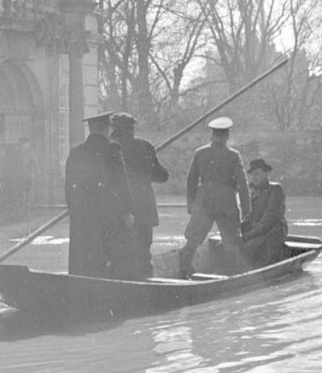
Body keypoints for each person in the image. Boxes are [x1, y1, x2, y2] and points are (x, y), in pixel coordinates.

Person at [65, 112, 138, 279]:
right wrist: (128, 210)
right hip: (107, 213)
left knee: (83, 254)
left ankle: (80, 285)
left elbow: (69, 186)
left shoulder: (76, 151)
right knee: (109, 253)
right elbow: (121, 182)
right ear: (107, 128)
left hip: (82, 213)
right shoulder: (112, 148)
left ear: (90, 128)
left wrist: (74, 211)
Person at [179, 116, 250, 277]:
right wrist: (246, 208)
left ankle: (184, 267)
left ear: (212, 135)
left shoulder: (200, 153)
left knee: (194, 237)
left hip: (203, 200)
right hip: (227, 201)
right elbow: (242, 183)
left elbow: (191, 179)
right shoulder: (233, 155)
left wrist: (190, 204)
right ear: (227, 136)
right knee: (231, 239)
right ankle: (232, 273)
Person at [111, 112, 169, 277]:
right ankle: (146, 278)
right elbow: (162, 176)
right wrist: (146, 168)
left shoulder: (111, 147)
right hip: (143, 203)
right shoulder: (145, 146)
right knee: (144, 247)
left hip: (120, 204)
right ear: (132, 128)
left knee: (121, 248)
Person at [240, 156, 288, 268]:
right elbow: (246, 216)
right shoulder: (251, 190)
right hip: (255, 229)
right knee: (227, 243)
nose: (254, 177)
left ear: (266, 173)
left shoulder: (275, 189)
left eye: (257, 174)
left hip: (273, 230)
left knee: (248, 247)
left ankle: (248, 271)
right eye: (252, 174)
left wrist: (248, 236)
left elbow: (270, 219)